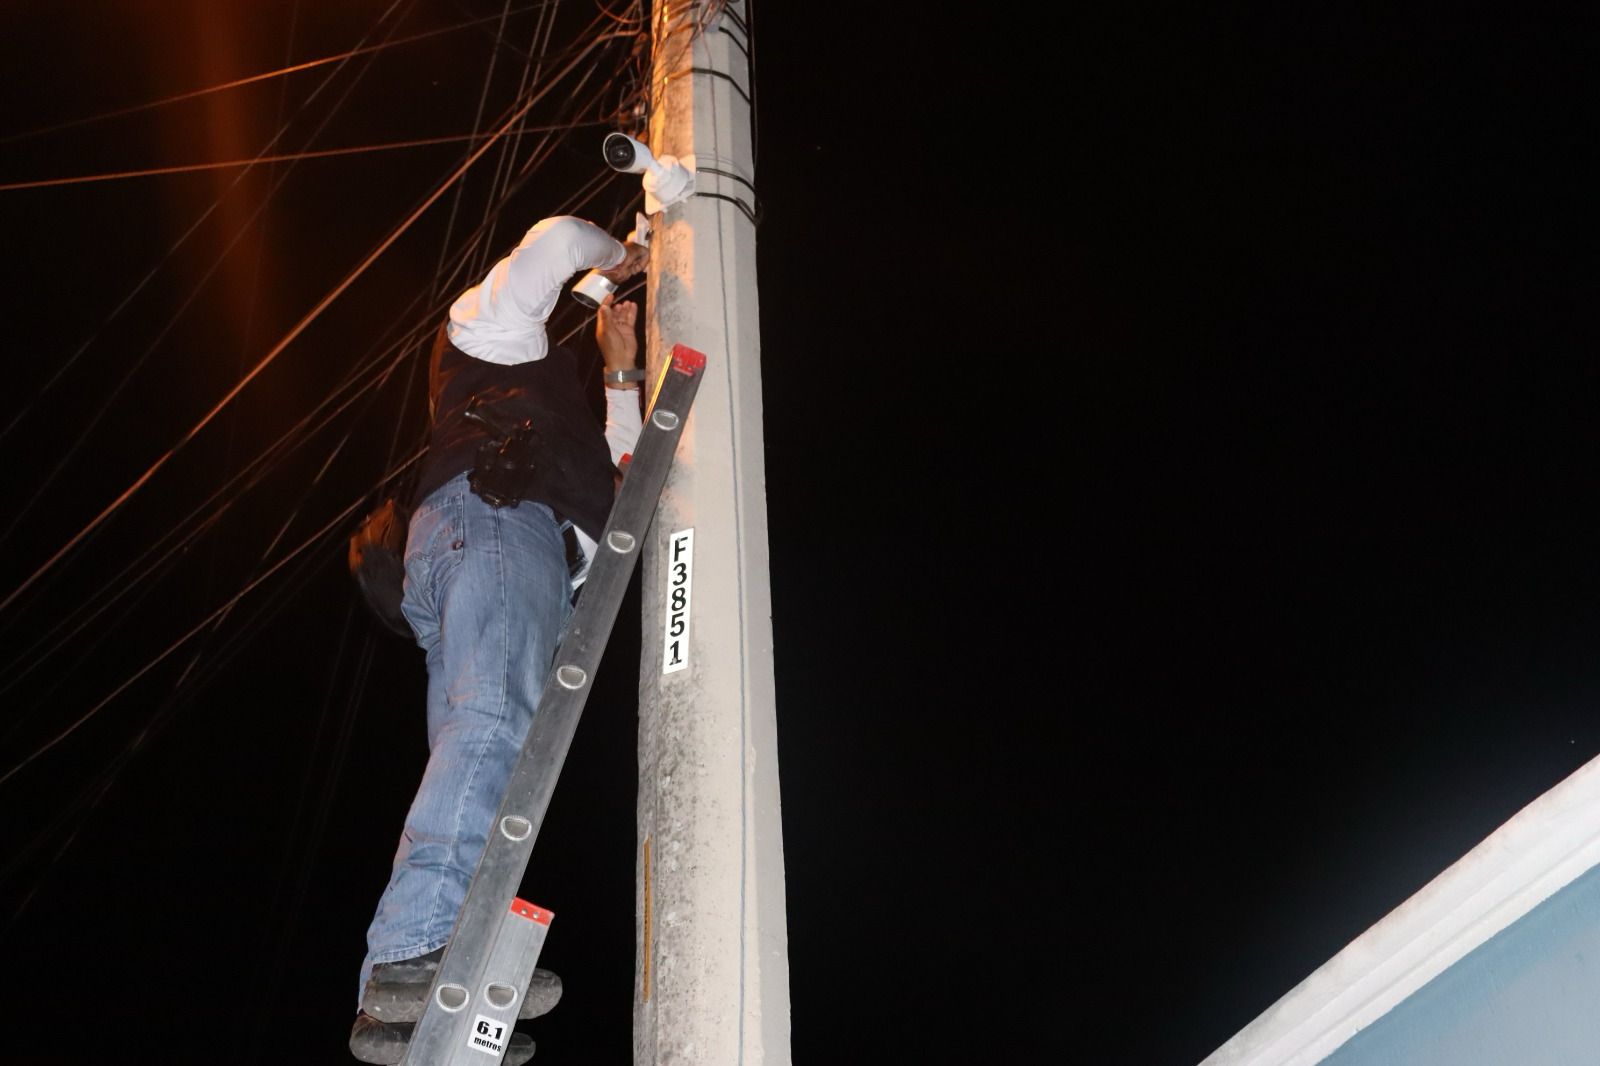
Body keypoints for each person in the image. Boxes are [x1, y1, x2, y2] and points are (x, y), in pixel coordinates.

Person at [349, 215, 649, 1065]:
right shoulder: (488, 331)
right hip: (496, 527)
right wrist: (627, 259)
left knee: (484, 750)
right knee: (492, 729)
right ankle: (415, 949)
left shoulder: (552, 418)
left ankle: (416, 976)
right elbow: (557, 240)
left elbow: (618, 474)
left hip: (492, 549)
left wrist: (620, 360)